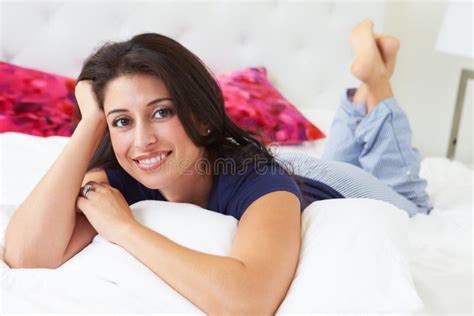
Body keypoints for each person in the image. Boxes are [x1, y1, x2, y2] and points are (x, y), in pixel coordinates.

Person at [4, 20, 431, 314]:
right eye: (122, 120)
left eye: (161, 112)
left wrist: (125, 230)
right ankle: (361, 95)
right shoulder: (120, 170)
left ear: (202, 117)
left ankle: (378, 86)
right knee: (342, 151)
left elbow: (247, 303)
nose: (141, 140)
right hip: (260, 161)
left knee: (412, 200)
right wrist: (91, 125)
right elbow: (25, 256)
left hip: (325, 181)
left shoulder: (261, 180)